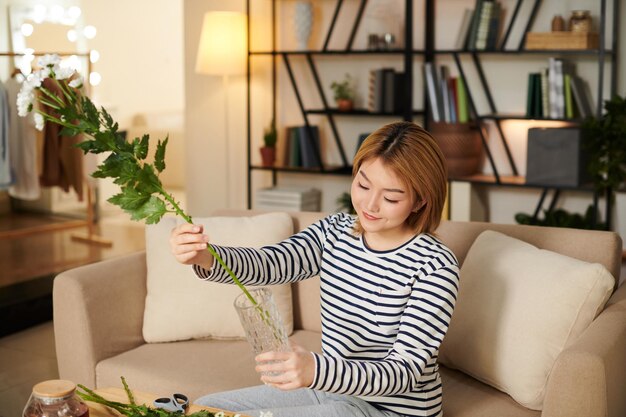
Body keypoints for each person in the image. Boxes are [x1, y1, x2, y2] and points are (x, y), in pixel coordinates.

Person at [169, 121, 460, 417]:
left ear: (420, 200)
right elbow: (270, 264)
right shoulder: (334, 232)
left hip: (394, 412)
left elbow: (403, 371)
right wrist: (206, 257)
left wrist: (315, 369)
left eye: (391, 197)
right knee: (208, 408)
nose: (370, 204)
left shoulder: (434, 267)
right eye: (362, 184)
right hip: (333, 392)